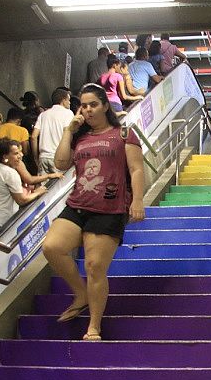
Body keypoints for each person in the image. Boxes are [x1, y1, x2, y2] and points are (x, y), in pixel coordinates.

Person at [42, 83, 145, 341]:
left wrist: (138, 201)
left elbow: (136, 169)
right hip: (78, 204)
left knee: (94, 266)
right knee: (52, 247)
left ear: (105, 106)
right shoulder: (80, 136)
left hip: (109, 209)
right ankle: (81, 294)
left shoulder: (123, 134)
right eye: (83, 105)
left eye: (93, 104)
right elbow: (61, 163)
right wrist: (69, 130)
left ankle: (94, 326)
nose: (87, 110)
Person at [0, 139, 47, 234]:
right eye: (16, 153)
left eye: (20, 152)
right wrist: (38, 192)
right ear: (5, 156)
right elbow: (22, 200)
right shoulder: (10, 173)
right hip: (0, 226)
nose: (21, 155)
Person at [33, 87, 75, 174]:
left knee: (43, 187)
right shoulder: (68, 113)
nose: (70, 103)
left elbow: (33, 136)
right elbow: (69, 134)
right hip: (59, 158)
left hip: (43, 157)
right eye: (68, 100)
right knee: (58, 186)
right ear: (63, 100)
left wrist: (36, 158)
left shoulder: (43, 114)